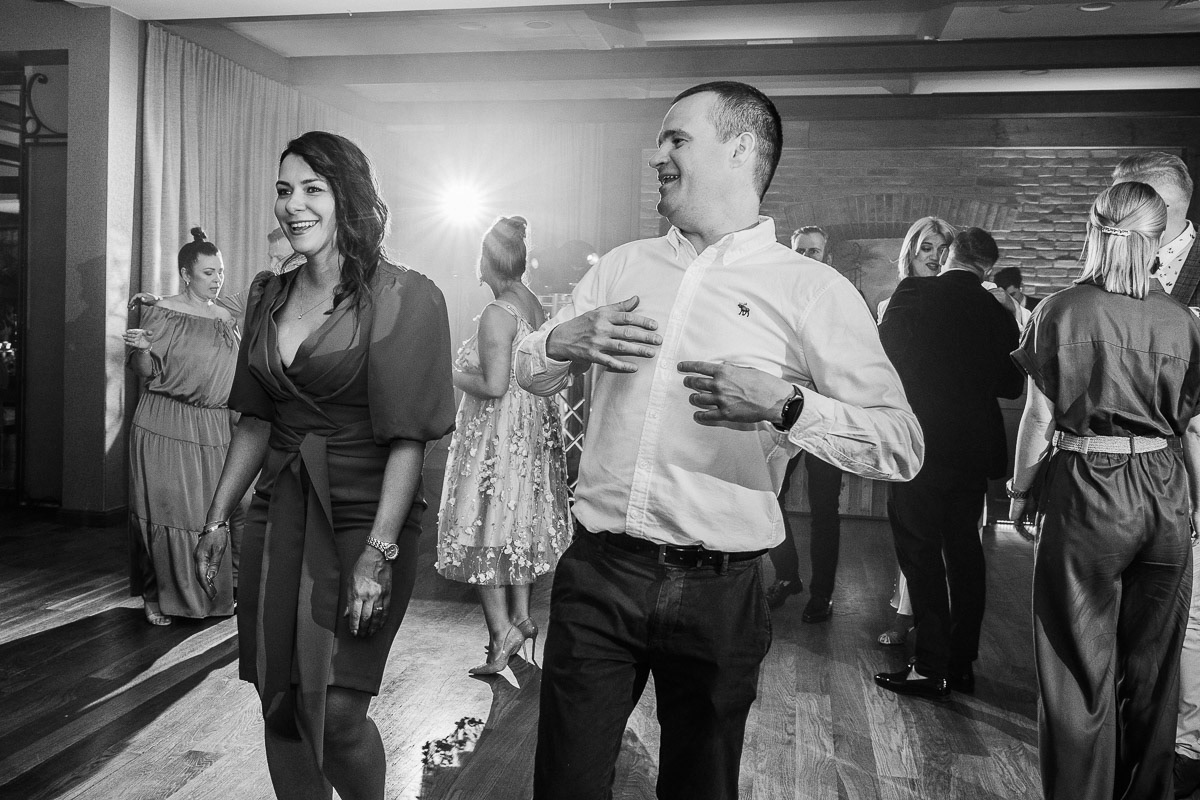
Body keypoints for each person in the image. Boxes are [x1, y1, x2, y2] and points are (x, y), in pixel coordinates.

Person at [515, 81, 922, 800]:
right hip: (599, 573)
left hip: (720, 590)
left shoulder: (811, 290)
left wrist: (787, 405)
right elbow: (529, 372)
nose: (656, 157)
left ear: (740, 150)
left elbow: (900, 445)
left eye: (677, 139)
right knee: (564, 785)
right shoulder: (623, 266)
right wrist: (558, 341)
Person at [196, 131, 456, 800]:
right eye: (285, 190)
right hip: (279, 512)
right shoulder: (266, 294)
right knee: (280, 704)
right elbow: (256, 420)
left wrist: (378, 550)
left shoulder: (405, 296)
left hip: (367, 517)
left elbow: (409, 440)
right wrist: (217, 519)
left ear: (349, 198)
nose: (294, 205)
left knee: (339, 715)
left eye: (313, 189)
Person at [1008, 181, 1200, 800]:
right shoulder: (1182, 320)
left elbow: (1038, 418)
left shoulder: (1059, 311)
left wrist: (1020, 490)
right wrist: (1195, 505)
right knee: (1154, 670)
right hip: (1165, 489)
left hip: (1088, 486)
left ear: (1094, 230)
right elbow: (1192, 428)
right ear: (1159, 239)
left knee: (1075, 665)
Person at [873, 227, 1023, 699]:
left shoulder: (913, 293)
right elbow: (1011, 386)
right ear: (987, 267)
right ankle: (960, 664)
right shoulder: (998, 311)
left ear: (952, 254)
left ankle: (928, 666)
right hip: (973, 448)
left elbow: (882, 359)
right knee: (965, 553)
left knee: (919, 552)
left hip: (919, 442)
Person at [435, 216, 572, 675]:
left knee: (484, 523)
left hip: (498, 433)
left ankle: (500, 636)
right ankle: (521, 617)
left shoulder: (497, 312)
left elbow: (494, 385)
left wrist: (447, 373)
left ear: (485, 262)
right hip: (529, 429)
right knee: (515, 520)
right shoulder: (532, 304)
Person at [1110, 153, 1200, 797]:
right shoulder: (1118, 269)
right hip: (1142, 471)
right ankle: (1143, 742)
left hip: (1190, 460)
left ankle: (1186, 743)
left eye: (1125, 202)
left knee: (1192, 617)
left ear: (1162, 208)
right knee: (1147, 616)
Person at [124, 227, 241, 626]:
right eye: (208, 272)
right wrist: (142, 349)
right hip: (164, 422)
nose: (217, 279)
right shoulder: (162, 311)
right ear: (186, 274)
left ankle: (207, 597)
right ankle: (154, 595)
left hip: (214, 426)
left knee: (207, 517)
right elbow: (145, 372)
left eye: (220, 271)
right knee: (164, 512)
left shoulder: (227, 315)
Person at [764, 224, 846, 623]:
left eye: (814, 251)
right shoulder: (776, 296)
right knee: (770, 496)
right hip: (783, 413)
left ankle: (822, 594)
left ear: (826, 257)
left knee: (824, 509)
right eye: (800, 250)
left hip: (824, 416)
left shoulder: (842, 298)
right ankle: (786, 575)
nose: (806, 257)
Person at [875, 216, 956, 323]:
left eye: (942, 251)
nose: (935, 257)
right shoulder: (886, 307)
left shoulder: (955, 302)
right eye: (927, 248)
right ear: (910, 252)